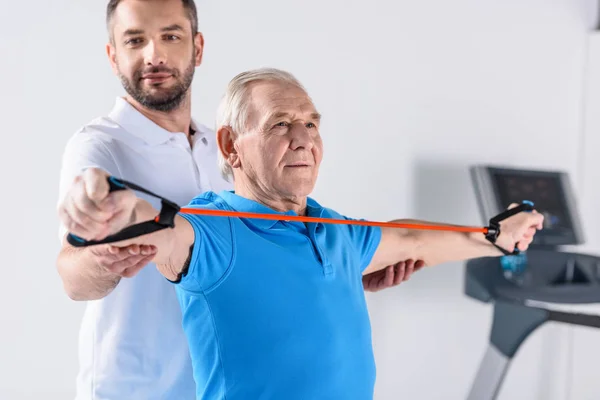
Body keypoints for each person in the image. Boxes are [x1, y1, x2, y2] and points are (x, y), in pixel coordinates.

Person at [58, 67, 545, 400]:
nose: (304, 139)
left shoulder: (332, 229)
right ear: (230, 145)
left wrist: (494, 236)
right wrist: (111, 203)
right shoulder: (211, 231)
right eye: (281, 124)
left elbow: (411, 241)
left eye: (312, 123)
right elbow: (160, 228)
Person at [55, 1, 411, 399]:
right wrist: (103, 258)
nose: (153, 54)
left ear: (198, 47)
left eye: (170, 36)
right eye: (135, 40)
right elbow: (73, 277)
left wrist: (342, 278)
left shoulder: (227, 147)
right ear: (113, 55)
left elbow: (258, 253)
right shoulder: (98, 146)